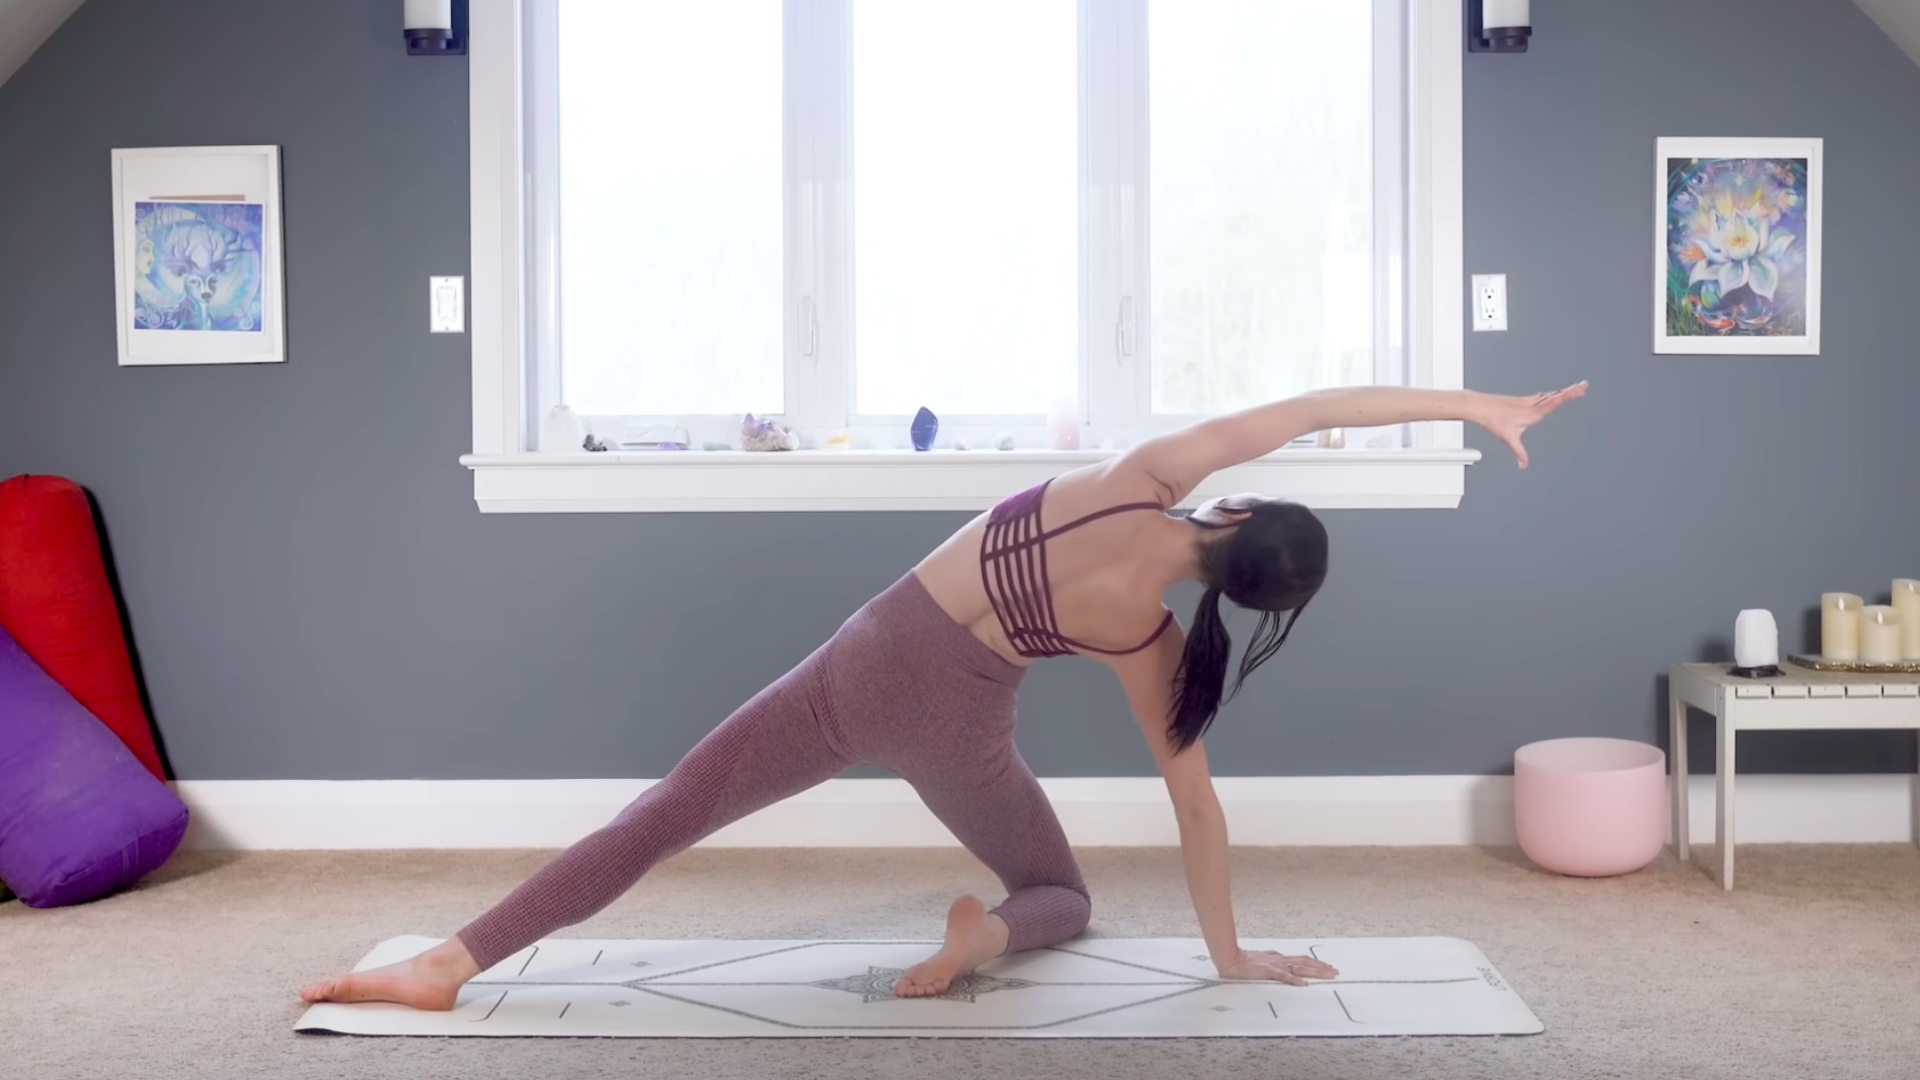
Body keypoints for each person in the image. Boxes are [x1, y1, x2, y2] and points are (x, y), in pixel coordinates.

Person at [300, 381, 1587, 1009]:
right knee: (1066, 898)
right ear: (1245, 599)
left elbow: (1314, 407)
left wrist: (1473, 405)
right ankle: (980, 939)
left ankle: (448, 961)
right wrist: (1227, 954)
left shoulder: (1142, 474)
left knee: (667, 813)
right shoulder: (1145, 638)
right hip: (956, 726)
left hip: (864, 657)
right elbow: (1198, 811)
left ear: (1236, 511)